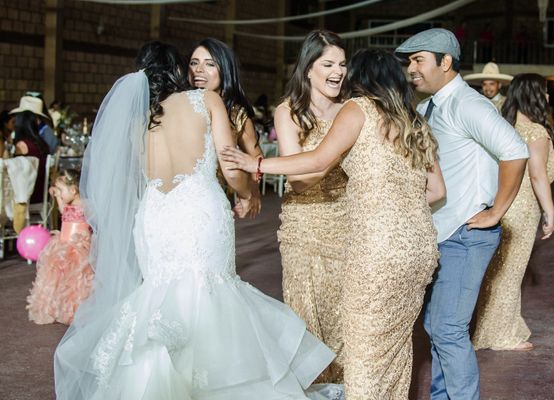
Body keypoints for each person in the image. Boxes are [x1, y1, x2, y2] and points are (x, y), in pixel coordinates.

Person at [54, 42, 340, 399]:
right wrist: (247, 193)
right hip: (198, 211)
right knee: (209, 289)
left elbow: (131, 178)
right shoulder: (206, 101)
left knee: (158, 294)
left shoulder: (138, 117)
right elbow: (229, 164)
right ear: (177, 71)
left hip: (155, 214)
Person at [222, 48, 445, 399]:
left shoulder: (359, 109)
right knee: (397, 349)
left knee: (362, 351)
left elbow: (318, 159)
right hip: (419, 249)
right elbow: (436, 190)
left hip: (378, 250)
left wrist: (258, 166)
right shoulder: (414, 121)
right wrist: (392, 206)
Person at [394, 28, 528, 400]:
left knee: (448, 328)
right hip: (440, 231)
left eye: (418, 59)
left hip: (465, 234)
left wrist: (495, 211)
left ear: (446, 62)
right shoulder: (427, 106)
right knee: (437, 327)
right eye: (409, 61)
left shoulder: (469, 104)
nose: (411, 69)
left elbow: (515, 151)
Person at [274, 30, 349, 383]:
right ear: (308, 69)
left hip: (349, 224)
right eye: (329, 64)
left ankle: (348, 387)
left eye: (343, 64)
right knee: (306, 316)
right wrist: (330, 156)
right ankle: (313, 388)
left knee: (344, 315)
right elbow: (298, 178)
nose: (338, 71)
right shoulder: (289, 111)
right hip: (304, 227)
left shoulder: (352, 109)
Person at [473, 73, 554, 351]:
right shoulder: (536, 132)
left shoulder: (503, 126)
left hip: (501, 201)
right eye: (544, 92)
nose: (548, 97)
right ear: (534, 96)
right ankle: (501, 336)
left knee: (497, 271)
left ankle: (494, 328)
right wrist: (550, 212)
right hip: (522, 208)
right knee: (510, 272)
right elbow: (538, 176)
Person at [186, 38, 262, 218]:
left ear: (225, 70)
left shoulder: (235, 113)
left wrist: (253, 190)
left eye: (209, 64)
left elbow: (256, 157)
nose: (198, 70)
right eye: (194, 63)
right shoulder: (178, 105)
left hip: (216, 202)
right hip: (179, 199)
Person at [27, 169, 94, 325]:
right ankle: (56, 306)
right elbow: (63, 210)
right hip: (63, 246)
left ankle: (77, 309)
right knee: (58, 278)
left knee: (77, 281)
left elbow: (93, 222)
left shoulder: (86, 206)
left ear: (73, 190)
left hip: (78, 248)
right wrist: (57, 195)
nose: (60, 194)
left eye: (61, 191)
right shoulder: (68, 205)